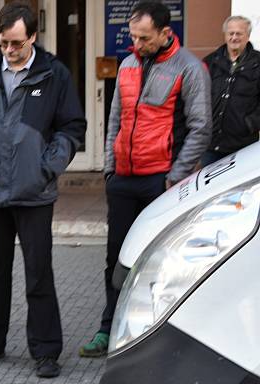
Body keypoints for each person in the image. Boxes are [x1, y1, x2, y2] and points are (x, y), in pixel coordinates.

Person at [0, 2, 86, 378]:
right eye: (3, 43)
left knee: (38, 272)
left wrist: (48, 167)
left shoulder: (54, 75)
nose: (8, 50)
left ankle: (45, 350)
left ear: (32, 36)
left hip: (34, 192)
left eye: (15, 43)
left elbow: (72, 127)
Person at [79, 1, 211, 358]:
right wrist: (109, 168)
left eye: (144, 38)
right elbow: (115, 121)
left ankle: (154, 336)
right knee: (116, 259)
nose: (136, 44)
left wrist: (174, 179)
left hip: (160, 181)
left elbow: (201, 129)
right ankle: (109, 329)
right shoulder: (127, 65)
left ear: (166, 33)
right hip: (123, 178)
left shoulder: (190, 69)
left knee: (158, 260)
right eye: (134, 37)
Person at [201, 15, 260, 167]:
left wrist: (250, 124)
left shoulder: (258, 63)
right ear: (225, 35)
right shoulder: (210, 62)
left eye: (239, 33)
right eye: (230, 33)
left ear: (247, 36)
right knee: (210, 190)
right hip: (211, 146)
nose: (234, 37)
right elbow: (198, 98)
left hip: (244, 146)